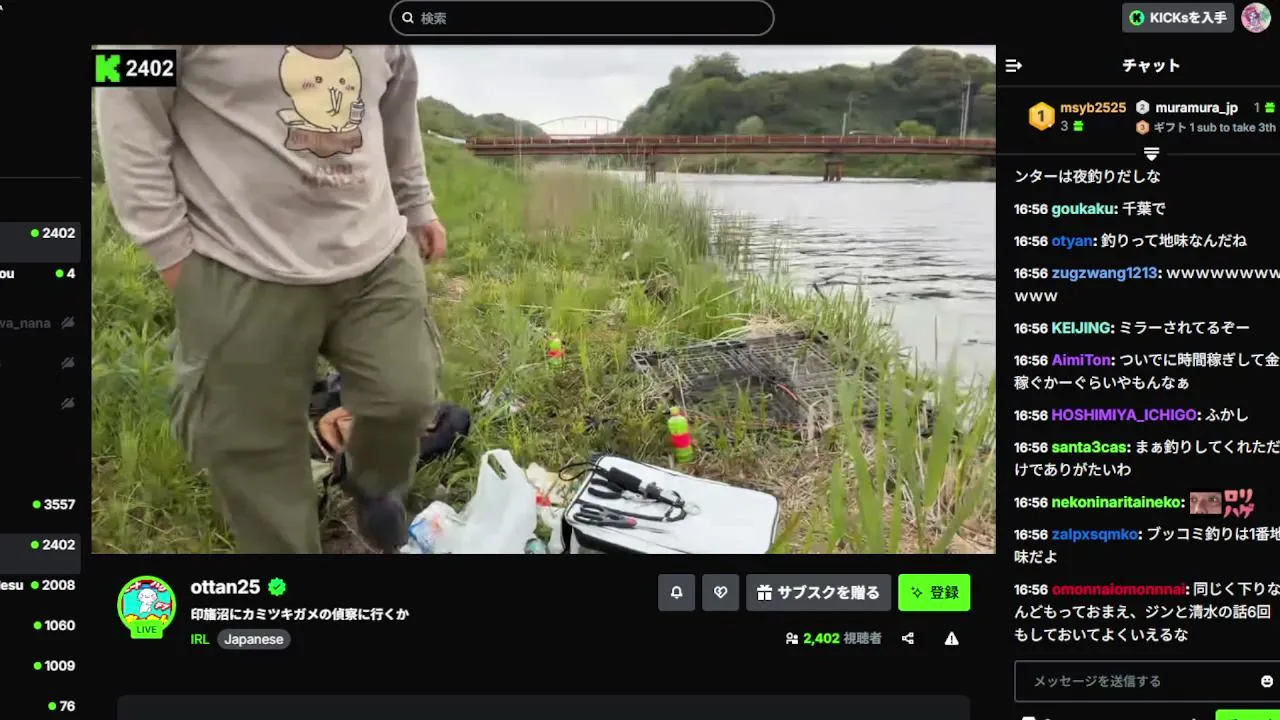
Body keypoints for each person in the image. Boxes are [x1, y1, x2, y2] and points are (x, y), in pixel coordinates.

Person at [96, 45, 446, 553]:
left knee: (404, 397)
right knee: (255, 449)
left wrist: (416, 203)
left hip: (377, 254)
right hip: (239, 261)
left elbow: (395, 104)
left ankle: (373, 485)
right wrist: (170, 253)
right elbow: (124, 99)